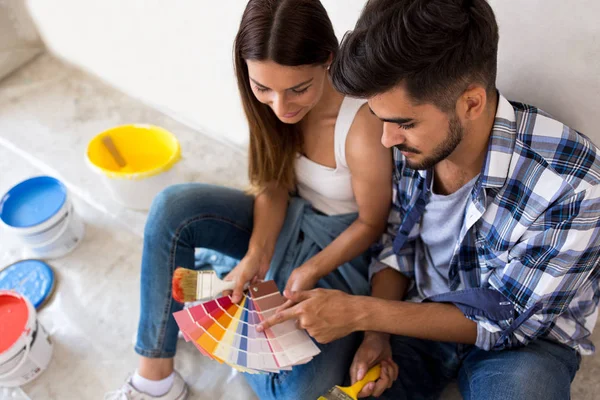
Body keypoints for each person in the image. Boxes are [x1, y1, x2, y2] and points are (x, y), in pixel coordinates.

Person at [258, 0, 600, 398]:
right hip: (416, 312)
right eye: (381, 119)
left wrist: (362, 312)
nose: (386, 140)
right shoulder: (414, 142)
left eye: (404, 123)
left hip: (525, 345)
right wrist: (376, 334)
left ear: (471, 102)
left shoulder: (574, 185)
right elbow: (397, 244)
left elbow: (507, 320)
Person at [105, 0, 393, 399]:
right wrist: (258, 253)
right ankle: (154, 377)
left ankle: (195, 315)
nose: (280, 106)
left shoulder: (360, 125)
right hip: (284, 219)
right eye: (263, 89)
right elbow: (273, 182)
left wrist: (307, 271)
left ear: (327, 59)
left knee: (296, 387)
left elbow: (372, 224)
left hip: (339, 250)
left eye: (298, 89)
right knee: (172, 207)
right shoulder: (272, 107)